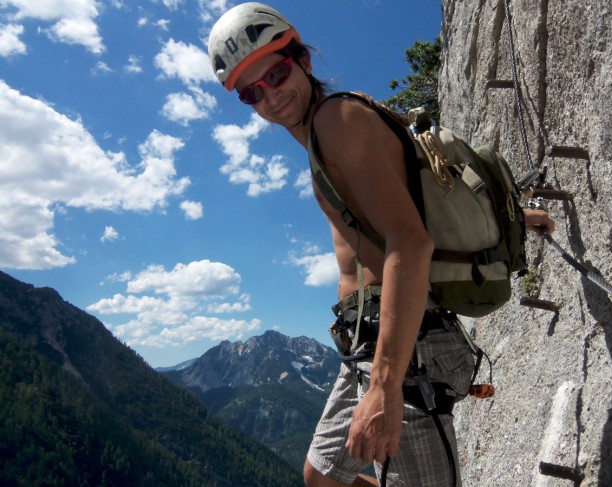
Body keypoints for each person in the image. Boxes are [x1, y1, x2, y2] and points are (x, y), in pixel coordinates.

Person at [208, 4, 555, 486]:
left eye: (277, 71)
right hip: (368, 343)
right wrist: (520, 216)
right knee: (323, 476)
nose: (269, 94)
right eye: (251, 91)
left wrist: (386, 387)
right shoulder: (333, 131)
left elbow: (410, 243)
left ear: (303, 60)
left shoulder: (337, 120)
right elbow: (427, 187)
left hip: (407, 350)